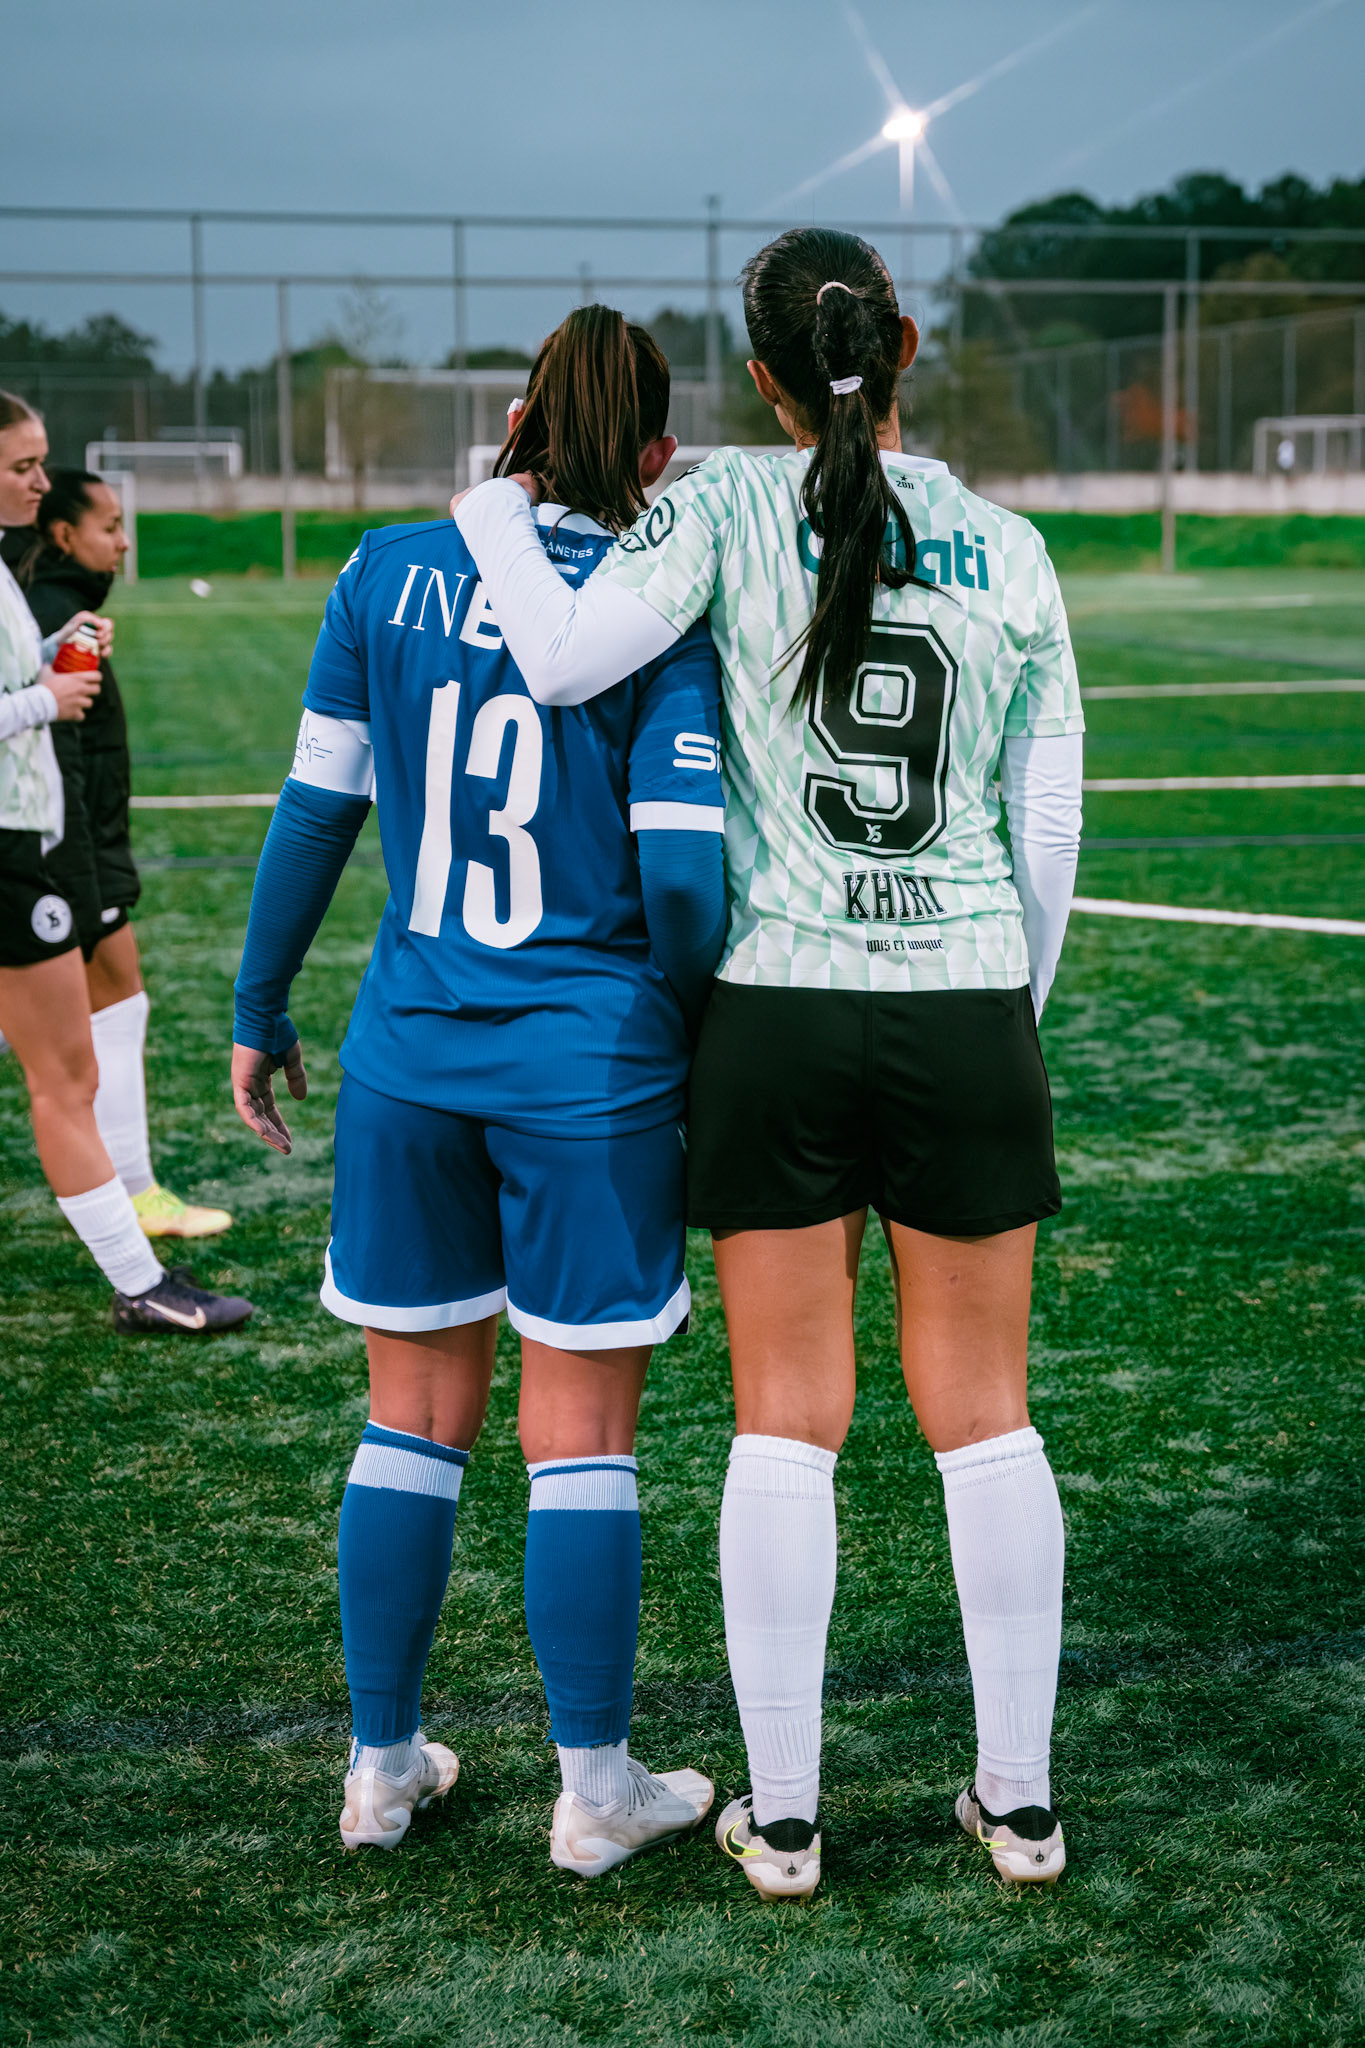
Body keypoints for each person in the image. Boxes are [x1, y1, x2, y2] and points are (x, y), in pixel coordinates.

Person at [452, 227, 1085, 1899]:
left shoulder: (725, 501)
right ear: (907, 343)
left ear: (759, 377)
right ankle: (1020, 1806)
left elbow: (561, 656)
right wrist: (1004, 1010)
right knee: (988, 1416)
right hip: (964, 999)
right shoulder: (1014, 545)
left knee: (785, 1421)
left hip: (778, 1012)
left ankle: (788, 1819)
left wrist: (487, 503)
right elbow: (1047, 825)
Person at [231, 307, 726, 1869]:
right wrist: (695, 1034)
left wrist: (257, 1005)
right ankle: (596, 1792)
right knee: (578, 1433)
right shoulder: (656, 599)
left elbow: (317, 809)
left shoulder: (383, 570)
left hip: (410, 1053)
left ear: (514, 426)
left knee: (411, 1420)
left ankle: (380, 1770)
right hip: (588, 1065)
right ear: (657, 456)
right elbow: (685, 878)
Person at [0, 391, 250, 1334]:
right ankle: (142, 1282)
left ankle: (141, 1248)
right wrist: (45, 699)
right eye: (23, 465)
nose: (40, 481)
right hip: (16, 846)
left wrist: (50, 657)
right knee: (65, 1079)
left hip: (27, 838)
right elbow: (30, 705)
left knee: (63, 1068)